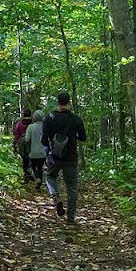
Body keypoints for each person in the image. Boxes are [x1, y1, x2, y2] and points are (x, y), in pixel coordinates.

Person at [41, 92, 87, 225]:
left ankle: (56, 198)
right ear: (69, 102)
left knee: (50, 177)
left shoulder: (49, 118)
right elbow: (83, 138)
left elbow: (44, 140)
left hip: (54, 157)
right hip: (71, 157)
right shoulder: (75, 119)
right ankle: (71, 217)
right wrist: (73, 135)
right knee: (71, 186)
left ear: (57, 102)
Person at [24, 109, 47, 189]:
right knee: (40, 167)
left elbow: (27, 139)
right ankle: (39, 181)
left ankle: (37, 178)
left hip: (33, 151)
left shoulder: (31, 127)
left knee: (33, 167)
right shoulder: (45, 127)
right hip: (42, 152)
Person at [12, 109, 33, 182]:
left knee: (24, 160)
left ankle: (26, 175)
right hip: (31, 144)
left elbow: (16, 136)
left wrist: (14, 146)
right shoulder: (32, 124)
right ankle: (30, 173)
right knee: (31, 159)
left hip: (22, 145)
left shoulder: (19, 125)